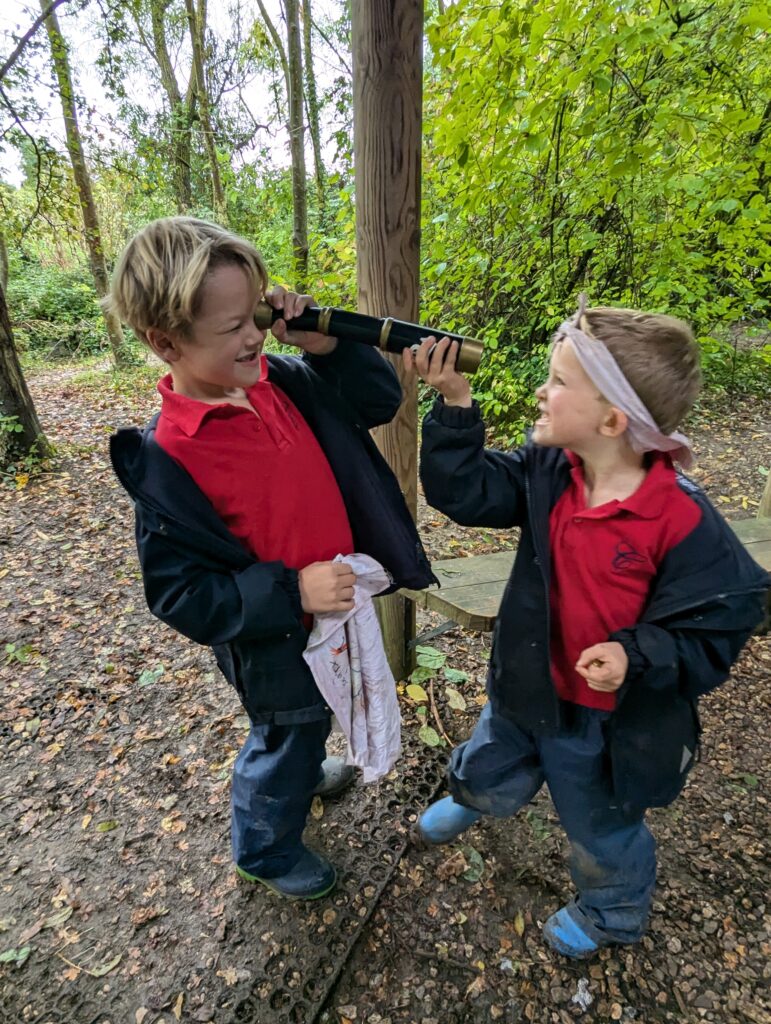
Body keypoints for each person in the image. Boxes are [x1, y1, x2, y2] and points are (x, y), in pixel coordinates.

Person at [403, 297, 769, 957]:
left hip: (601, 724)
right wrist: (454, 404)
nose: (542, 390)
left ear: (610, 418)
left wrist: (635, 654)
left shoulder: (679, 522)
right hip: (523, 683)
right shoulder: (550, 471)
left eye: (558, 380)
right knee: (489, 758)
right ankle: (475, 796)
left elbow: (721, 619)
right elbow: (467, 493)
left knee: (598, 825)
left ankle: (612, 912)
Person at [107, 216, 434, 899]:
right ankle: (265, 847)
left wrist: (324, 345)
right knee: (283, 733)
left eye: (254, 311)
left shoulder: (282, 381)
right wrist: (292, 593)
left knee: (312, 721)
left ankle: (306, 766)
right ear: (164, 342)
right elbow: (182, 596)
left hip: (331, 618)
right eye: (232, 328)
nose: (255, 333)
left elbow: (378, 399)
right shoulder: (170, 461)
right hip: (273, 641)